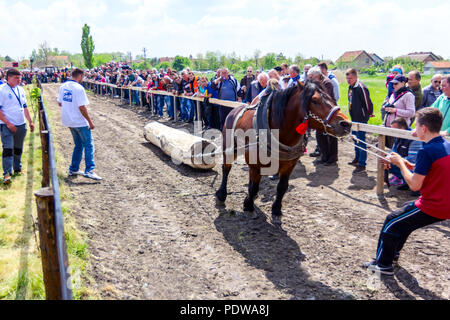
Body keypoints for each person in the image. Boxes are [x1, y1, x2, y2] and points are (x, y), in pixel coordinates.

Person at [364, 107, 450, 275]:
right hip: (445, 201)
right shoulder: (444, 144)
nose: (413, 129)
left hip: (435, 205)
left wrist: (400, 163)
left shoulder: (426, 151)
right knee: (402, 221)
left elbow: (414, 185)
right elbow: (433, 170)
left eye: (416, 126)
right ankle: (391, 255)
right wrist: (409, 165)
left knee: (391, 221)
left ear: (424, 128)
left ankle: (383, 265)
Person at [57, 68, 102, 181]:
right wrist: (90, 121)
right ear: (80, 76)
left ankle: (73, 168)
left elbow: (59, 103)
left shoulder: (63, 86)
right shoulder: (79, 88)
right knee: (88, 144)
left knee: (78, 145)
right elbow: (82, 107)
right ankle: (90, 170)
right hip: (79, 121)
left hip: (69, 120)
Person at [0, 69, 35, 184]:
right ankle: (7, 174)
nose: (19, 80)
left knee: (18, 148)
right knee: (8, 149)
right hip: (6, 125)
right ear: (8, 77)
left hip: (21, 124)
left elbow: (24, 107)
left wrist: (30, 121)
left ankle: (17, 168)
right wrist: (9, 124)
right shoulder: (2, 90)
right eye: (16, 78)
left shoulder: (20, 90)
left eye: (20, 78)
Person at [307, 66, 338, 166]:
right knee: (320, 134)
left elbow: (325, 98)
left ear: (316, 76)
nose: (309, 79)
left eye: (311, 77)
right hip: (321, 112)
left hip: (329, 112)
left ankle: (332, 157)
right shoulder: (317, 82)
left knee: (331, 134)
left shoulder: (327, 83)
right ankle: (324, 156)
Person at [346, 68, 374, 173]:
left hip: (361, 119)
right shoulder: (351, 87)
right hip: (353, 118)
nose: (348, 80)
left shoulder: (361, 87)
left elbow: (367, 102)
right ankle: (357, 158)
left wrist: (369, 113)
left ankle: (362, 164)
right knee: (355, 138)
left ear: (356, 77)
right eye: (347, 78)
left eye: (351, 78)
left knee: (361, 140)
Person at [382, 74, 416, 148]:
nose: (394, 85)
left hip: (401, 129)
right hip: (391, 127)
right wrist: (387, 107)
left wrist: (395, 110)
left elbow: (411, 113)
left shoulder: (408, 95)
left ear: (403, 83)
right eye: (393, 83)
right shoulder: (393, 94)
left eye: (396, 83)